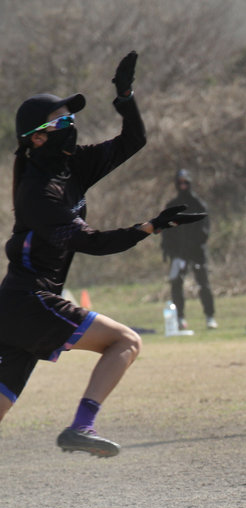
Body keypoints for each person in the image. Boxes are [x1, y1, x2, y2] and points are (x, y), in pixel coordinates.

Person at [0, 52, 205, 457]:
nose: (71, 128)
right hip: (29, 300)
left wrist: (125, 97)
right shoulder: (39, 193)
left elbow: (133, 141)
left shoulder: (70, 166)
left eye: (72, 120)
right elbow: (93, 243)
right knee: (125, 342)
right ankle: (82, 427)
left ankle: (81, 427)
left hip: (16, 305)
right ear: (37, 138)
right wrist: (150, 227)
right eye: (61, 123)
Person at [161, 168, 216, 330]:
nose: (183, 185)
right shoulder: (171, 206)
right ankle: (180, 318)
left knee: (203, 284)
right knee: (176, 284)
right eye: (180, 183)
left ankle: (210, 316)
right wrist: (168, 249)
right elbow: (166, 231)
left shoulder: (199, 204)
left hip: (197, 251)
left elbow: (205, 231)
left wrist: (193, 245)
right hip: (178, 253)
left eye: (186, 182)